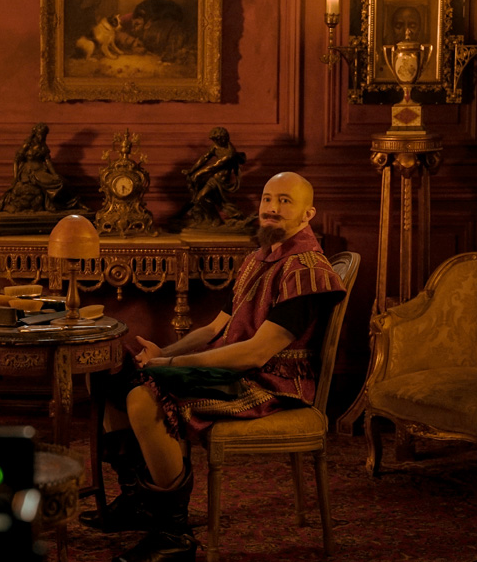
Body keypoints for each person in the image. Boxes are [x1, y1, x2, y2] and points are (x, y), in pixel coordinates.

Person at [81, 171, 346, 562]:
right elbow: (213, 329)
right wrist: (163, 352)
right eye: (268, 199)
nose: (272, 208)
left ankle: (173, 533)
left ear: (308, 214)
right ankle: (139, 500)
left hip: (271, 383)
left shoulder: (306, 271)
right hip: (234, 368)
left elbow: (255, 354)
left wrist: (170, 364)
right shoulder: (258, 258)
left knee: (144, 399)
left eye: (285, 201)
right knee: (114, 375)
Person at [177, 126, 248, 229]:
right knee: (200, 197)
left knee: (203, 198)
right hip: (213, 178)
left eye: (217, 140)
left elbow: (214, 166)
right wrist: (191, 170)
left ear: (223, 138)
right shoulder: (216, 146)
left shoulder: (230, 153)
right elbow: (205, 158)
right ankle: (209, 218)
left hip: (221, 181)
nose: (215, 142)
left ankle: (217, 219)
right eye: (214, 140)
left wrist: (197, 174)